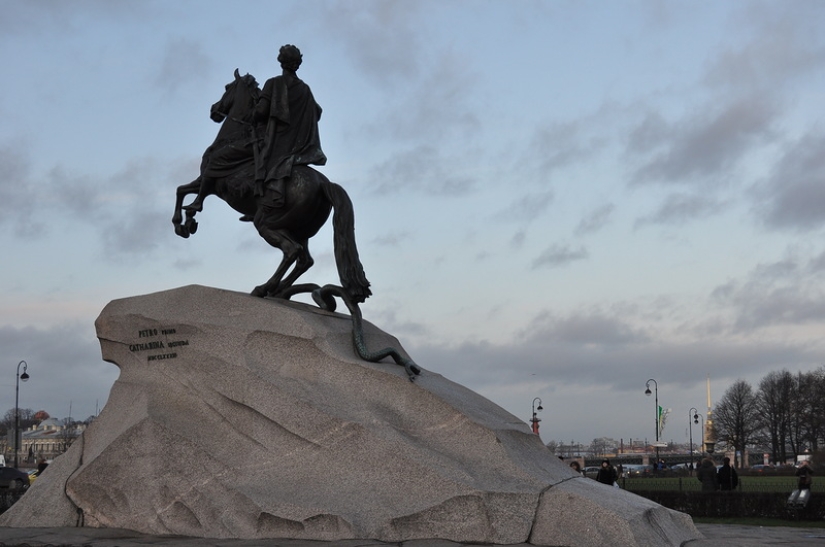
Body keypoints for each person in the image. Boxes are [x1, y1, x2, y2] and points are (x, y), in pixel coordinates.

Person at [253, 44, 327, 207]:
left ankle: (261, 195)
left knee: (251, 157)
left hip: (279, 144)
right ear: (297, 63)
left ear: (281, 62)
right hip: (301, 147)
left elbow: (261, 112)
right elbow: (317, 112)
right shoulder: (305, 89)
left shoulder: (273, 84)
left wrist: (254, 109)